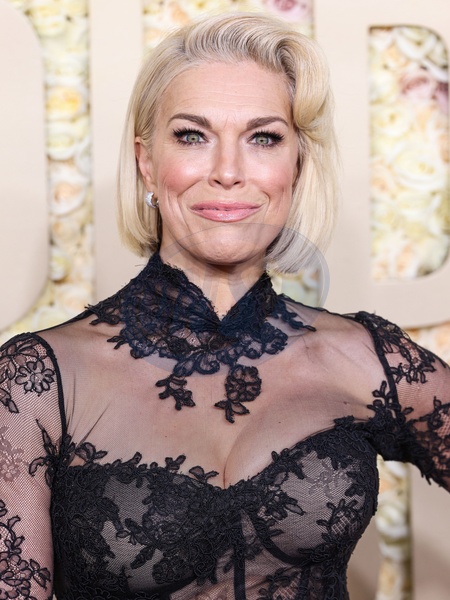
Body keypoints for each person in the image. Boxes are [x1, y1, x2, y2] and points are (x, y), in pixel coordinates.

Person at [0, 12, 449, 600]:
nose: (228, 172)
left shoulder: (365, 359)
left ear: (297, 165)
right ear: (146, 163)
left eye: (264, 138)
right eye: (193, 136)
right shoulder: (38, 381)